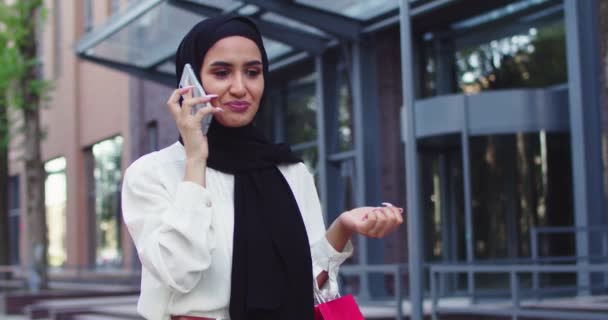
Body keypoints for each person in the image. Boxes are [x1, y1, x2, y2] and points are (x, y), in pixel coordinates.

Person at [121, 14, 403, 320]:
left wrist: (343, 226)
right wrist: (195, 161)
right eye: (222, 72)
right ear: (190, 83)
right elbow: (178, 271)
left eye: (252, 72)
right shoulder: (152, 173)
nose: (240, 88)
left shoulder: (288, 170)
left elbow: (307, 284)